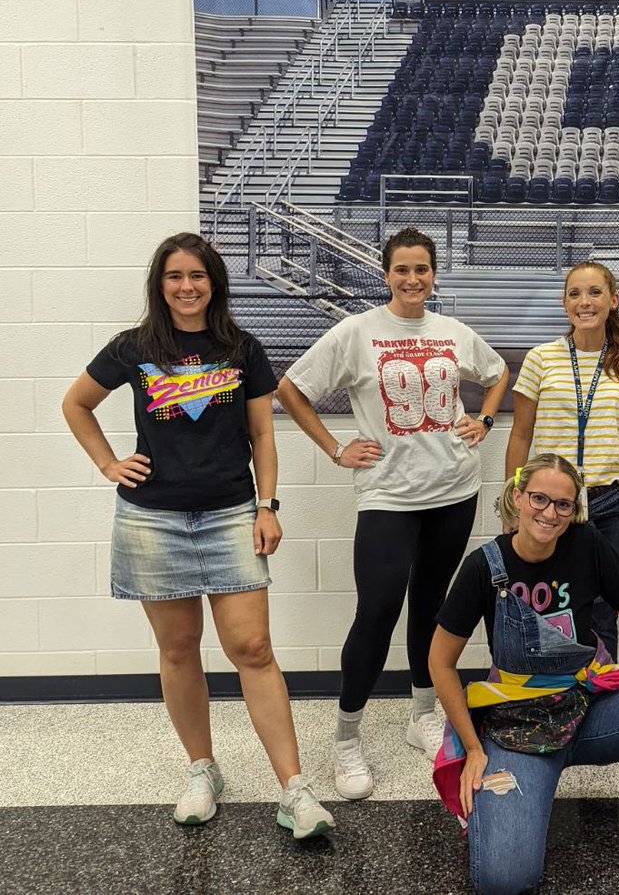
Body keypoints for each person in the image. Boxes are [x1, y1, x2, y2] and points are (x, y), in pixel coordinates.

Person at [61, 233, 334, 839]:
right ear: (160, 284)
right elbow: (76, 404)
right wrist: (110, 465)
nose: (187, 287)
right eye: (174, 276)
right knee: (179, 650)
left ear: (215, 282)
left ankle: (293, 789)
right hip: (151, 519)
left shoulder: (241, 348)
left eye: (199, 276)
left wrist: (268, 506)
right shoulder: (133, 347)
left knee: (253, 650)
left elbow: (263, 435)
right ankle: (202, 770)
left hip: (230, 514)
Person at [277, 227, 508, 800]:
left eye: (422, 270)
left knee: (431, 606)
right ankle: (347, 735)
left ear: (434, 274)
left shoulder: (452, 332)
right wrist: (336, 448)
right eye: (402, 270)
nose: (412, 280)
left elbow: (500, 373)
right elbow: (289, 388)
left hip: (454, 487)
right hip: (388, 494)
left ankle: (422, 715)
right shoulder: (358, 332)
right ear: (386, 275)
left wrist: (485, 420)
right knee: (378, 609)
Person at [430, 453, 619, 895]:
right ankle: (522, 798)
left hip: (586, 711)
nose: (549, 513)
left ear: (575, 510)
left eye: (563, 504)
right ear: (518, 497)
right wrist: (473, 748)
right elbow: (440, 662)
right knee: (503, 879)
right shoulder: (484, 568)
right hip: (519, 733)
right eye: (539, 499)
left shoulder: (587, 544)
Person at [505, 261, 619, 660]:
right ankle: (559, 695)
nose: (584, 302)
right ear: (564, 303)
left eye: (594, 292)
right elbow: (521, 435)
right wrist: (512, 503)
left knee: (607, 606)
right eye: (575, 293)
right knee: (556, 601)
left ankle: (600, 698)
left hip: (614, 502)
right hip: (553, 502)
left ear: (614, 300)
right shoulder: (542, 359)